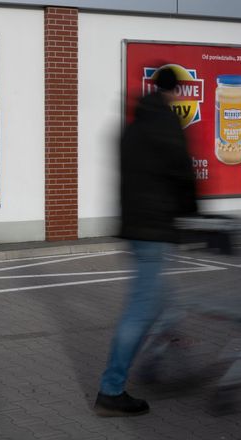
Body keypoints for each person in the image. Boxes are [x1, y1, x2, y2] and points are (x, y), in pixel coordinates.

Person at [94, 66, 198, 417]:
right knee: (140, 310)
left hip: (136, 228)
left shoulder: (132, 127)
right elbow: (183, 173)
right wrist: (193, 213)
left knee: (159, 298)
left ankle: (160, 355)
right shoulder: (166, 124)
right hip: (156, 229)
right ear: (176, 91)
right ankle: (111, 389)